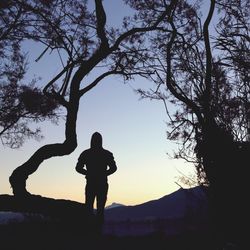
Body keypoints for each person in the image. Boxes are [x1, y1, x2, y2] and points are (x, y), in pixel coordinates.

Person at [75, 132, 117, 223]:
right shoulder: (106, 154)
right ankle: (95, 230)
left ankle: (94, 230)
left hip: (95, 183)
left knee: (93, 207)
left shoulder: (86, 153)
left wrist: (89, 173)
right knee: (97, 208)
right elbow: (113, 168)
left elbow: (78, 168)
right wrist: (103, 174)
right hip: (98, 183)